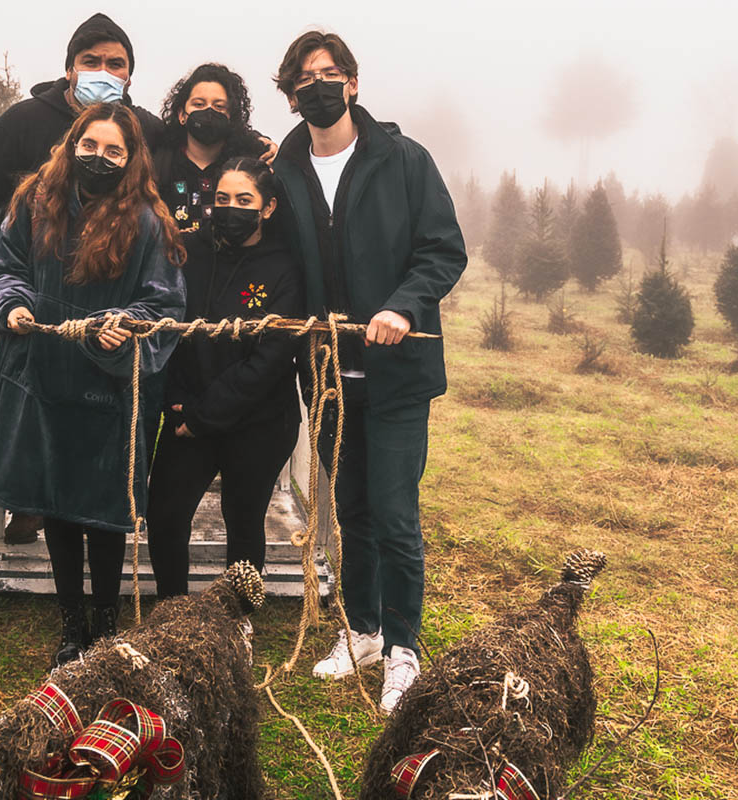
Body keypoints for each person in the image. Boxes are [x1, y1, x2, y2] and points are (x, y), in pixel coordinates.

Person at [270, 31, 468, 714]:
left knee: (392, 512)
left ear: (352, 83)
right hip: (325, 377)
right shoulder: (284, 169)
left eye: (330, 74)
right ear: (291, 94)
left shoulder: (403, 160)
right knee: (347, 511)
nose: (317, 86)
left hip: (396, 374)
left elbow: (443, 251)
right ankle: (362, 630)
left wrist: (403, 307)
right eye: (304, 78)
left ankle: (404, 648)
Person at [0, 103, 186, 666]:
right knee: (56, 506)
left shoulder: (147, 223)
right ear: (72, 144)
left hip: (107, 393)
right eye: (90, 145)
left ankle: (106, 625)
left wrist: (126, 326)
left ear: (131, 160)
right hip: (40, 382)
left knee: (104, 514)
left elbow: (163, 302)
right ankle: (71, 627)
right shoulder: (35, 205)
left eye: (114, 151)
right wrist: (9, 303)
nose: (99, 158)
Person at [0, 13, 161, 340]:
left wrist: (257, 146)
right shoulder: (22, 122)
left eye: (115, 64)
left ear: (129, 76)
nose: (103, 72)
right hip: (26, 304)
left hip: (110, 309)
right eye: (90, 61)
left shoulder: (145, 130)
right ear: (69, 70)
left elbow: (199, 141)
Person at [146, 158, 302, 597]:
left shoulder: (286, 266)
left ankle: (238, 617)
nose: (231, 208)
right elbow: (169, 325)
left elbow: (271, 358)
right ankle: (172, 610)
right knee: (166, 515)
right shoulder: (188, 252)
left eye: (243, 200)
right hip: (186, 412)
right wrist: (176, 399)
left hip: (259, 420)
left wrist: (204, 413)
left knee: (244, 517)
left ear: (267, 208)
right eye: (221, 199)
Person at [154, 64, 268, 235]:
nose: (208, 112)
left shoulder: (247, 165)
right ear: (182, 115)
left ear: (232, 116)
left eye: (219, 106)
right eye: (199, 104)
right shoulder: (161, 163)